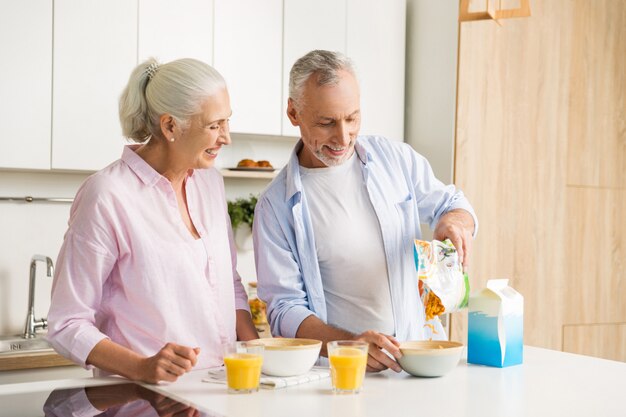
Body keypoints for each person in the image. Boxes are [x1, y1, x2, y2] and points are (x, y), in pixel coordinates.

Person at [252, 50, 477, 373]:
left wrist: (455, 223)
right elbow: (285, 311)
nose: (343, 137)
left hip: (418, 362)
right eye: (326, 122)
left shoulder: (395, 159)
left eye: (352, 118)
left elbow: (452, 204)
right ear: (293, 112)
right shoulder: (275, 207)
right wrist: (350, 345)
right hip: (343, 374)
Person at [47, 58, 258, 384]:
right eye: (215, 125)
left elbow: (228, 283)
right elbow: (66, 322)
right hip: (139, 398)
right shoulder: (108, 195)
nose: (226, 137)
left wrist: (260, 351)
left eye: (227, 121)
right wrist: (142, 367)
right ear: (170, 126)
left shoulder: (209, 183)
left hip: (217, 391)